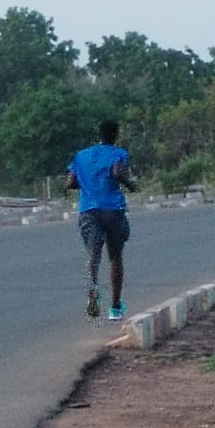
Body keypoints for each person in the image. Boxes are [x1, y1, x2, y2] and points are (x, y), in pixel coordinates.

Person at [66, 120, 138, 320]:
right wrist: (130, 185)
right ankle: (115, 308)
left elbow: (71, 181)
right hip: (112, 209)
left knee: (93, 255)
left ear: (98, 134)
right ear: (116, 135)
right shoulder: (118, 153)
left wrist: (87, 185)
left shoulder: (81, 156)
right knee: (115, 257)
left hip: (88, 210)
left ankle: (93, 293)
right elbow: (117, 173)